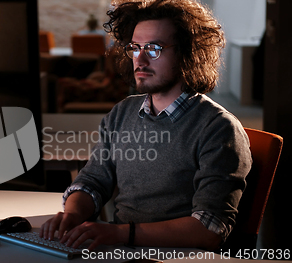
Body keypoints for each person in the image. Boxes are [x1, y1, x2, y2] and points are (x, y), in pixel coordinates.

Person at [40, 0, 252, 252]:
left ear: (187, 53)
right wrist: (73, 215)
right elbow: (93, 181)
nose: (139, 59)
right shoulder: (122, 113)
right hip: (118, 250)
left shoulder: (219, 128)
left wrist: (119, 233)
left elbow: (209, 230)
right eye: (135, 47)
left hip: (175, 257)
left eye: (153, 49)